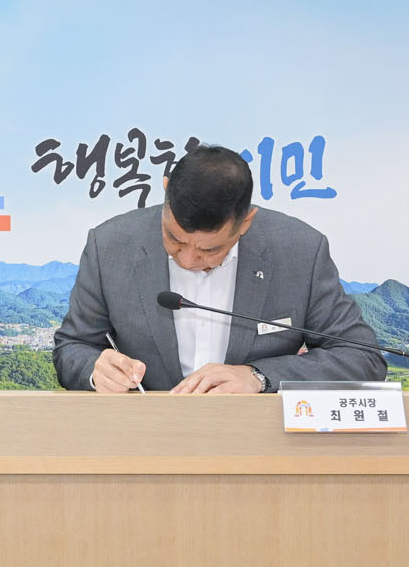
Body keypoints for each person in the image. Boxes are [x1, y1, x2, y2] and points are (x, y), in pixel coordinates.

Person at [53, 145, 386, 393]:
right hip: (144, 439)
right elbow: (72, 347)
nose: (187, 260)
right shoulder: (110, 245)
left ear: (246, 222)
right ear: (166, 191)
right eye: (174, 239)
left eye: (209, 250)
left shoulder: (300, 251)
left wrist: (259, 377)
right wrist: (95, 370)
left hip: (257, 442)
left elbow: (362, 358)